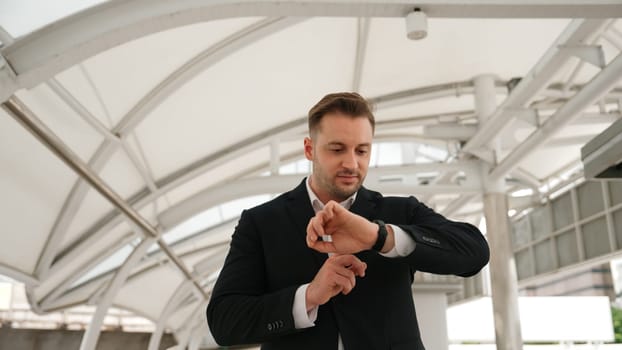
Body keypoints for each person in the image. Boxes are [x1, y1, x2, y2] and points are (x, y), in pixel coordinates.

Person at [206, 92, 490, 350]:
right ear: (309, 149)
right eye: (337, 149)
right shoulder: (261, 223)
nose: (352, 163)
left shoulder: (399, 213)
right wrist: (309, 296)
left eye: (361, 150)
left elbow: (475, 252)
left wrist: (378, 237)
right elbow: (224, 322)